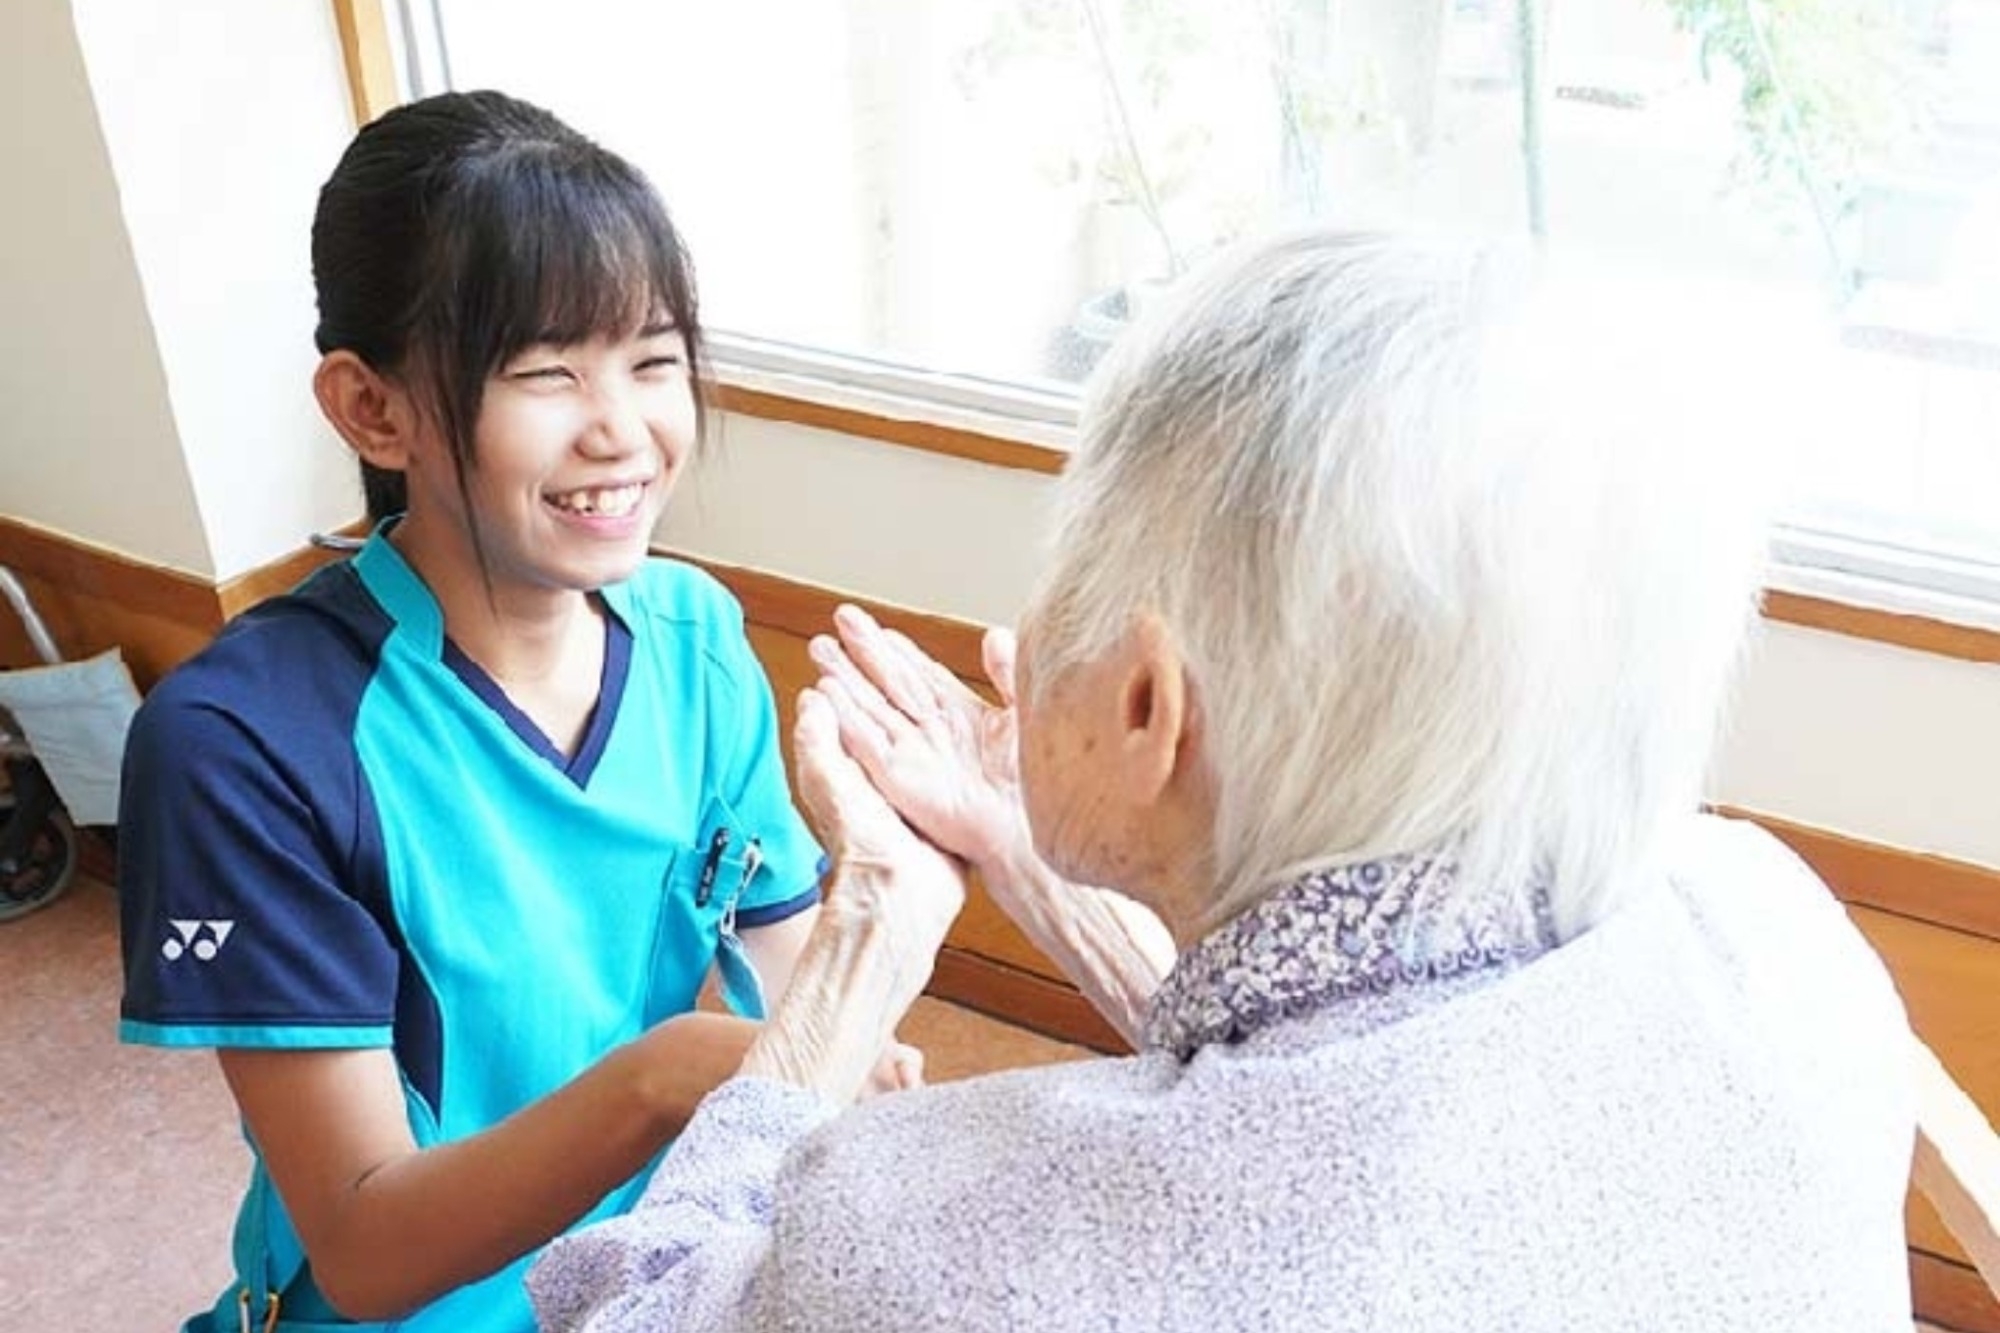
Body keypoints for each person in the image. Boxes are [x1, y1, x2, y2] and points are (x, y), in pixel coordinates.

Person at [527, 230, 1919, 1331]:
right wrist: (1038, 855)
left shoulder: (945, 1245)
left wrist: (865, 938)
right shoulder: (1775, 927)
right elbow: (1339, 1062)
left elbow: (635, 1310)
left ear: (1148, 702)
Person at [116, 90, 898, 1333]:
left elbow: (796, 977)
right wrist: (658, 1082)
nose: (621, 431)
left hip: (659, 1272)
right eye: (544, 373)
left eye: (652, 361)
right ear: (373, 409)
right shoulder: (242, 743)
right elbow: (365, 1249)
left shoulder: (694, 640)